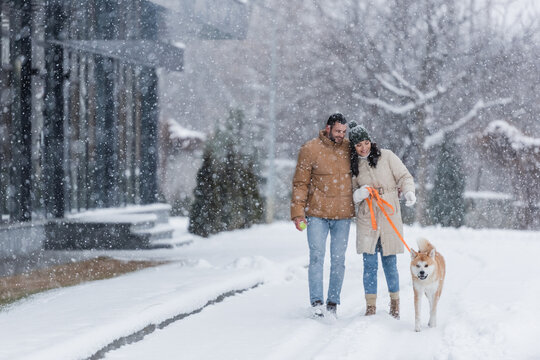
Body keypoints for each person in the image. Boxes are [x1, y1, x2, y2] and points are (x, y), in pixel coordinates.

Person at [348, 121, 416, 319]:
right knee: (369, 263)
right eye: (358, 145)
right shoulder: (353, 165)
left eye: (366, 143)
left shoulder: (387, 156)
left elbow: (404, 176)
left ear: (371, 141)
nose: (363, 148)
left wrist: (409, 192)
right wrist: (359, 194)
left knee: (389, 261)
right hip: (367, 217)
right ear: (353, 147)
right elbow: (349, 193)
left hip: (388, 213)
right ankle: (371, 306)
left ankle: (395, 304)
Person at [291, 113, 355, 318]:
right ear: (327, 128)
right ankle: (317, 302)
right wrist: (298, 213)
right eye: (337, 131)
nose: (341, 135)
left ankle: (333, 303)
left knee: (338, 260)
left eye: (344, 132)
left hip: (343, 215)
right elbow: (300, 184)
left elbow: (369, 160)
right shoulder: (310, 149)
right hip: (317, 214)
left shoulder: (349, 149)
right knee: (317, 257)